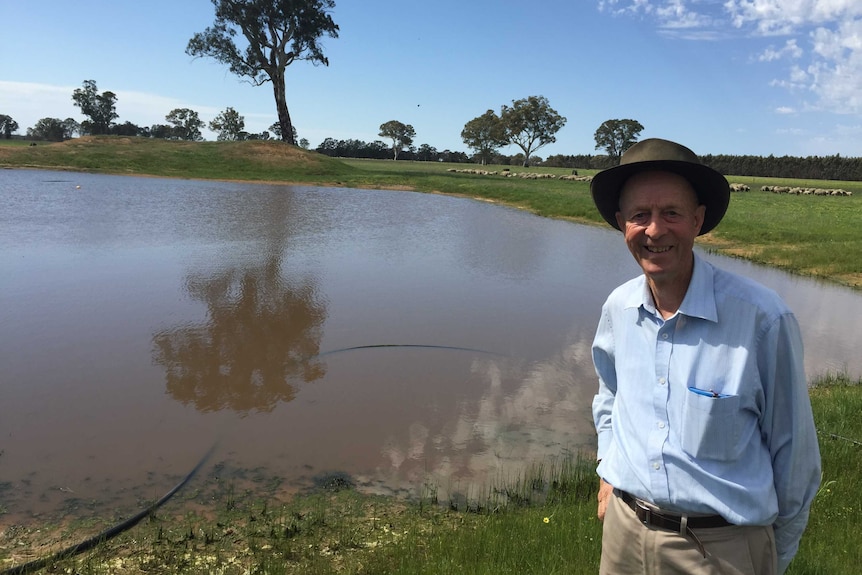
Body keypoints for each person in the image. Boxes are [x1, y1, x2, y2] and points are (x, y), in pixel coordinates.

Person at [589, 138, 821, 575]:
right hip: (623, 534)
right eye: (640, 215)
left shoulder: (762, 319)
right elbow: (609, 395)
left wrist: (770, 556)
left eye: (671, 213)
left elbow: (796, 463)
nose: (655, 231)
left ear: (698, 221)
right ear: (622, 224)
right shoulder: (617, 308)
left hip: (721, 549)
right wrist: (607, 467)